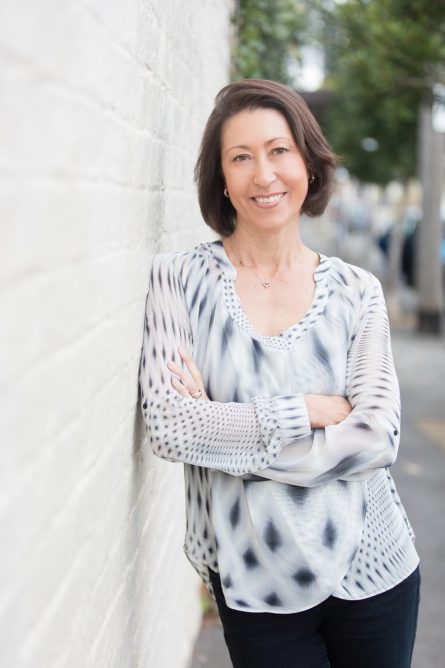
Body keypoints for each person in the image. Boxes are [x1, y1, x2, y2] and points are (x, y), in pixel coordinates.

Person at [139, 79, 420, 667]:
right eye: (241, 157)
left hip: (375, 568)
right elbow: (169, 426)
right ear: (219, 176)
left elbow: (375, 438)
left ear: (308, 165)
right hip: (252, 582)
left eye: (279, 151)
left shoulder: (356, 291)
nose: (263, 175)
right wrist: (309, 412)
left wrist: (221, 433)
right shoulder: (179, 279)